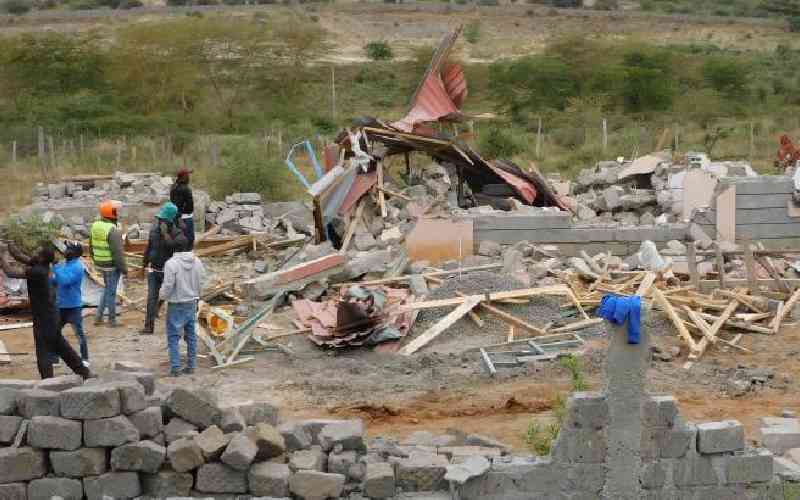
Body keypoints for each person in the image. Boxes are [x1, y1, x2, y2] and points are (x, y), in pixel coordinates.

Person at [0, 242, 92, 379]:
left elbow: (10, 272)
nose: (34, 254)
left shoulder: (38, 272)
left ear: (42, 258)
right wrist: (10, 245)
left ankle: (48, 381)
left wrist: (1, 256)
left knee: (43, 350)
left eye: (38, 253)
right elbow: (20, 256)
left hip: (45, 318)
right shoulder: (41, 264)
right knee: (61, 347)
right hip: (49, 315)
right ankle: (84, 373)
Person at [160, 234, 204, 377]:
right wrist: (197, 296)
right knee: (191, 336)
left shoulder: (171, 264)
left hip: (176, 304)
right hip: (191, 302)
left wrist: (161, 297)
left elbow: (167, 286)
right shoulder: (197, 261)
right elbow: (202, 281)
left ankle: (175, 368)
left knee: (173, 337)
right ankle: (191, 365)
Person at [141, 201, 180, 335]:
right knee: (151, 298)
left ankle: (171, 323)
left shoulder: (176, 233)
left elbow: (175, 248)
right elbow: (149, 248)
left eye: (163, 219)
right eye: (159, 218)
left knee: (168, 295)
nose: (160, 221)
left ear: (171, 220)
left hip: (168, 272)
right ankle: (148, 326)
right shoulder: (153, 230)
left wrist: (165, 235)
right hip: (153, 270)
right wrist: (144, 265)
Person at [90, 200, 127, 327]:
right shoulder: (113, 230)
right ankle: (112, 321)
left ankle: (98, 317)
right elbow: (118, 253)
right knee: (111, 292)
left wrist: (95, 260)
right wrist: (124, 269)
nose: (117, 212)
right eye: (115, 210)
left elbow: (90, 246)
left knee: (107, 290)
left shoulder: (95, 226)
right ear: (111, 213)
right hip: (111, 266)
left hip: (100, 263)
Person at [51, 241, 89, 365]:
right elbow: (56, 280)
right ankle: (54, 358)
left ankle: (84, 359)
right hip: (61, 305)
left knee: (79, 335)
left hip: (73, 306)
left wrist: (55, 267)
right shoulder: (65, 265)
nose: (66, 251)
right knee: (55, 333)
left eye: (69, 249)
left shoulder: (78, 267)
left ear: (76, 253)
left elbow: (65, 281)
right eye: (67, 248)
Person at [170, 168, 195, 249]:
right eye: (188, 175)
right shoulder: (186, 189)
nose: (189, 177)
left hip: (177, 218)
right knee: (189, 240)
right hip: (185, 218)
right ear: (184, 177)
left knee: (178, 240)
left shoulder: (174, 187)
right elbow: (187, 206)